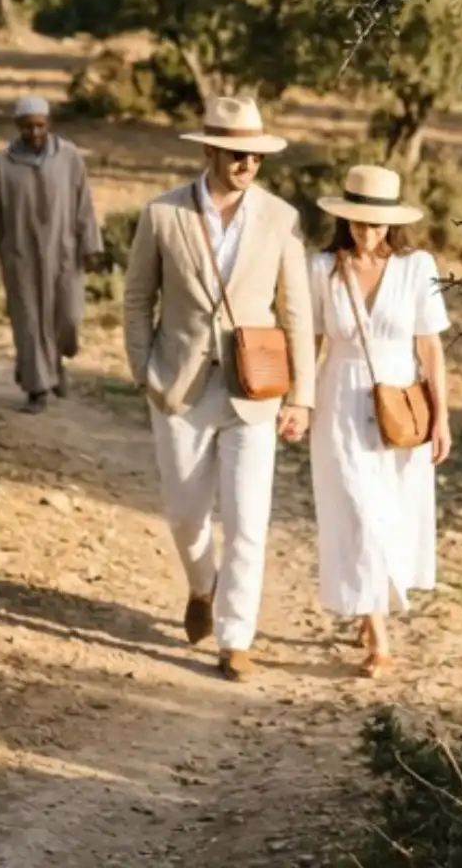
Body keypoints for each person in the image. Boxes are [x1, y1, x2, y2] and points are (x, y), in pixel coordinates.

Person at [123, 94, 315, 682]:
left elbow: (297, 309)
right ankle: (202, 584)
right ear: (209, 150)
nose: (246, 164)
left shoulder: (280, 218)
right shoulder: (163, 214)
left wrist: (301, 394)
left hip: (253, 388)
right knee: (184, 514)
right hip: (178, 384)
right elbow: (137, 298)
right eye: (235, 153)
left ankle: (236, 639)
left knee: (249, 519)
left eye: (254, 155)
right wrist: (144, 369)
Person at [308, 163, 452, 677]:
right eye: (358, 221)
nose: (367, 232)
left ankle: (368, 610)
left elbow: (430, 346)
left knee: (391, 512)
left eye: (377, 223)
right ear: (344, 218)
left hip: (401, 402)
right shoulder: (320, 268)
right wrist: (297, 402)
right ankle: (380, 638)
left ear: (392, 221)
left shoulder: (418, 267)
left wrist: (441, 418)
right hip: (339, 400)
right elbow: (310, 343)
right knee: (356, 510)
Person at [0, 95, 103, 413]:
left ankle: (56, 364)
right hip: (21, 256)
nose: (34, 133)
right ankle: (37, 389)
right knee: (29, 323)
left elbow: (83, 204)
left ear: (49, 124)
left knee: (69, 319)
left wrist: (91, 246)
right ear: (18, 126)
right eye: (27, 127)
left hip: (64, 253)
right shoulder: (3, 165)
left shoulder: (70, 157)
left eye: (39, 126)